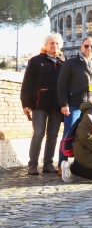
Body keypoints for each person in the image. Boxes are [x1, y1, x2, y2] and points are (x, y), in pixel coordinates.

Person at [20, 33, 65, 175]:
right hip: (39, 103)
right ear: (46, 45)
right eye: (51, 43)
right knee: (38, 133)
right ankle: (32, 165)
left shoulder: (64, 62)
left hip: (57, 104)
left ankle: (48, 164)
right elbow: (27, 82)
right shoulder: (35, 61)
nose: (54, 46)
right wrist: (26, 103)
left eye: (57, 43)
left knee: (52, 135)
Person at [57, 37, 92, 170]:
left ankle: (81, 165)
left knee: (87, 135)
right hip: (74, 104)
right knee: (68, 134)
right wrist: (64, 104)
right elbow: (61, 85)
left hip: (91, 106)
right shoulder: (70, 63)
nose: (89, 49)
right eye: (86, 46)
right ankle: (62, 164)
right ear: (81, 47)